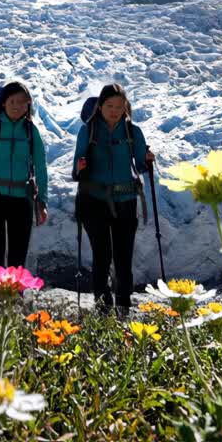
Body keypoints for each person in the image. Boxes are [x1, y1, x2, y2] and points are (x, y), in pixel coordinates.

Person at [72, 83, 154, 316]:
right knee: (102, 255)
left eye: (120, 106)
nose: (115, 110)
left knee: (123, 255)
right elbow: (76, 170)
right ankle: (103, 305)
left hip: (126, 200)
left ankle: (123, 304)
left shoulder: (133, 132)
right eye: (110, 105)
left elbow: (140, 165)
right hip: (94, 200)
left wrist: (147, 160)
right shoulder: (88, 131)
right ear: (100, 106)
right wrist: (80, 167)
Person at [0, 81, 48, 308]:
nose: (17, 106)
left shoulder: (31, 132)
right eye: (13, 101)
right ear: (3, 103)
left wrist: (42, 201)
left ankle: (13, 302)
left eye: (22, 103)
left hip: (21, 200)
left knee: (17, 256)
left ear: (28, 106)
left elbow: (41, 169)